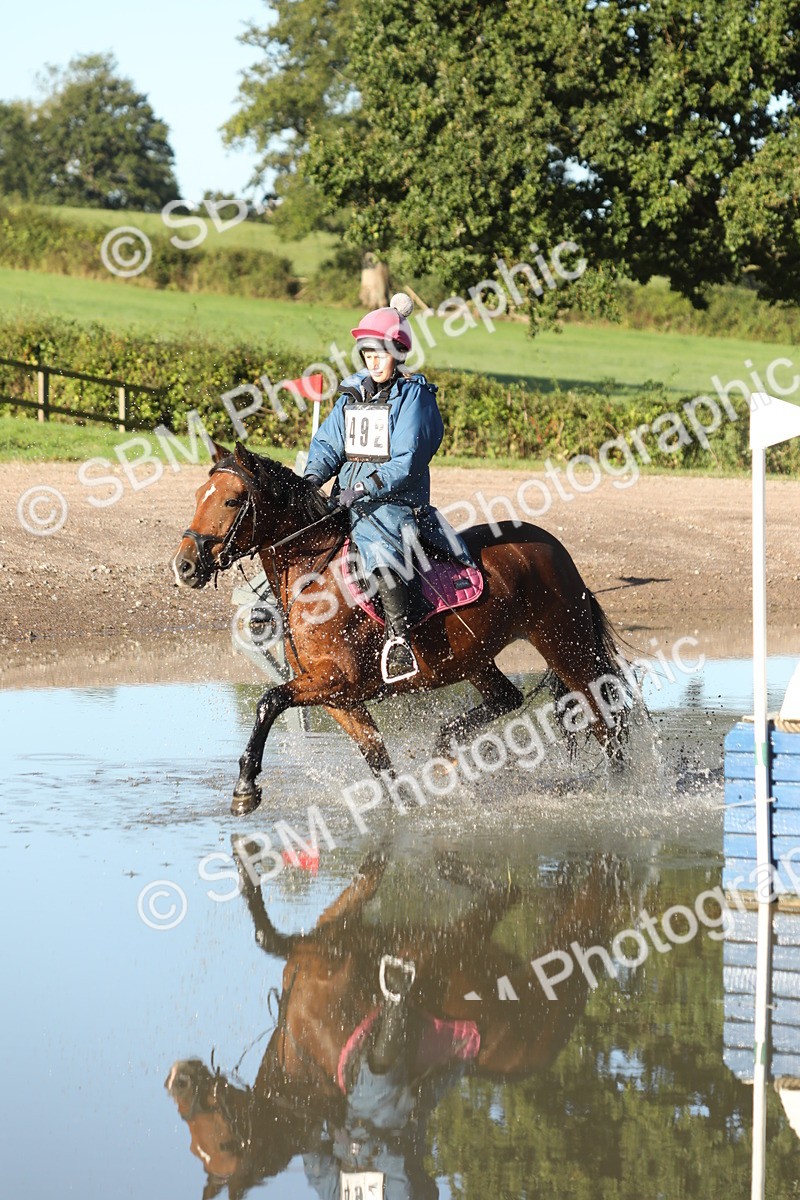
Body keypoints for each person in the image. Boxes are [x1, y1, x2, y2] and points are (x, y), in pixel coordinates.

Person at [304, 293, 473, 684]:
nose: (374, 362)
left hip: (394, 505)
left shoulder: (414, 398)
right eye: (367, 354)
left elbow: (407, 459)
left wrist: (363, 488)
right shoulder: (352, 396)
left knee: (378, 544)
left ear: (398, 352)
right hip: (348, 498)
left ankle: (399, 641)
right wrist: (312, 479)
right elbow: (329, 444)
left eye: (381, 354)